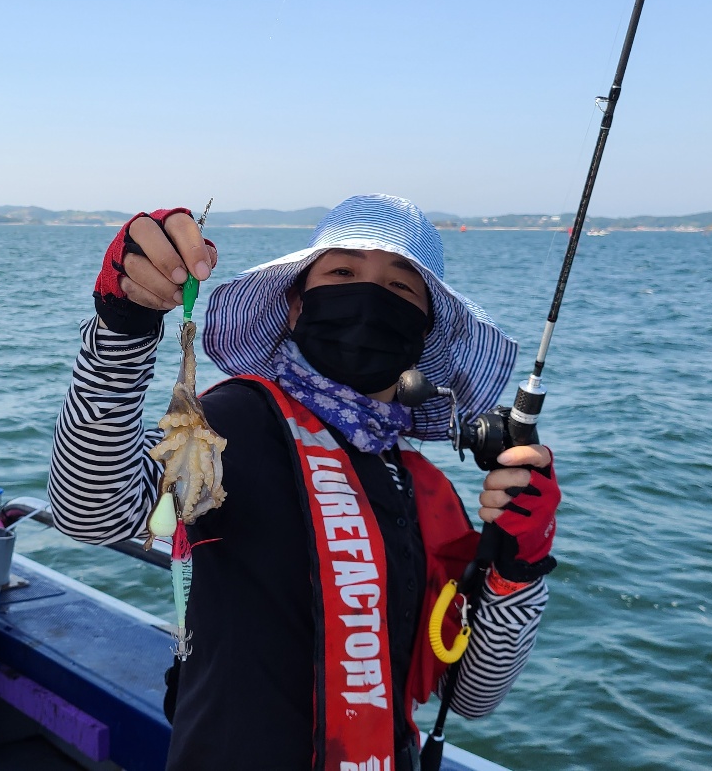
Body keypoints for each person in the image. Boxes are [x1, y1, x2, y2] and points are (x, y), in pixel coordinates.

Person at [49, 195, 562, 771]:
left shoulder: (425, 491)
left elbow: (471, 694)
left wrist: (520, 566)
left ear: (423, 330)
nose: (368, 297)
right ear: (296, 306)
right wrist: (123, 327)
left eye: (399, 287)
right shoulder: (232, 424)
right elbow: (90, 510)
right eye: (341, 273)